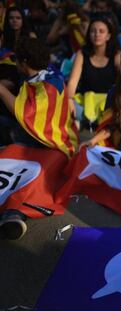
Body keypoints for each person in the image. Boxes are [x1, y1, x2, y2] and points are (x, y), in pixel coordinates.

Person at [0, 38, 79, 240]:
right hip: (29, 143)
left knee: (37, 178)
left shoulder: (49, 85)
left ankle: (14, 214)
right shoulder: (36, 77)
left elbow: (24, 113)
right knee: (5, 161)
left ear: (24, 62)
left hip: (56, 146)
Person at [67, 17, 120, 128]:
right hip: (84, 104)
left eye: (101, 31)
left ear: (108, 36)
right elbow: (72, 82)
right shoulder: (82, 53)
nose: (97, 34)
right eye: (93, 31)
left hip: (109, 105)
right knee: (67, 106)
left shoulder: (116, 54)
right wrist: (69, 100)